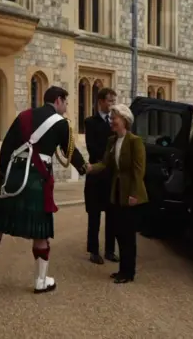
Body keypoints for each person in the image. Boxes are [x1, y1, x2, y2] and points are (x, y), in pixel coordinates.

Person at [0, 86, 89, 295]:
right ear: (59, 100)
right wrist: (85, 169)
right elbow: (70, 152)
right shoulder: (60, 124)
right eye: (66, 102)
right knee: (41, 233)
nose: (67, 107)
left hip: (15, 176)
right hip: (37, 179)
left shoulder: (24, 116)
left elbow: (7, 146)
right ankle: (40, 281)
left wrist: (2, 180)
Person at [87, 103, 148, 284]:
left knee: (128, 234)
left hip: (131, 193)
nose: (112, 121)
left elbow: (139, 171)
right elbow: (105, 164)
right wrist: (90, 168)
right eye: (112, 118)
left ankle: (129, 273)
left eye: (115, 118)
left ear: (124, 121)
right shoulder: (112, 141)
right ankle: (123, 269)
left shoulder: (135, 141)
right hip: (117, 193)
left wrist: (134, 194)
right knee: (119, 232)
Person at [84, 87, 119, 265]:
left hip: (112, 176)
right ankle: (93, 250)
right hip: (97, 175)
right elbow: (93, 148)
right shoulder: (90, 122)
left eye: (114, 101)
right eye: (110, 101)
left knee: (112, 214)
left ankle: (110, 250)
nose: (112, 104)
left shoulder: (116, 123)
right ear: (100, 102)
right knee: (94, 215)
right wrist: (108, 158)